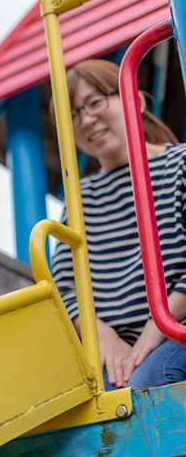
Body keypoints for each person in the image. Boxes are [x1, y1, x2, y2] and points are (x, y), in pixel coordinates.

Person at [50, 58, 186, 392]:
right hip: (117, 349)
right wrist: (104, 338)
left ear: (134, 100)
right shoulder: (80, 201)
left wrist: (157, 328)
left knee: (153, 379)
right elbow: (64, 286)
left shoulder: (180, 164)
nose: (87, 119)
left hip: (176, 323)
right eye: (73, 116)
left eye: (95, 102)